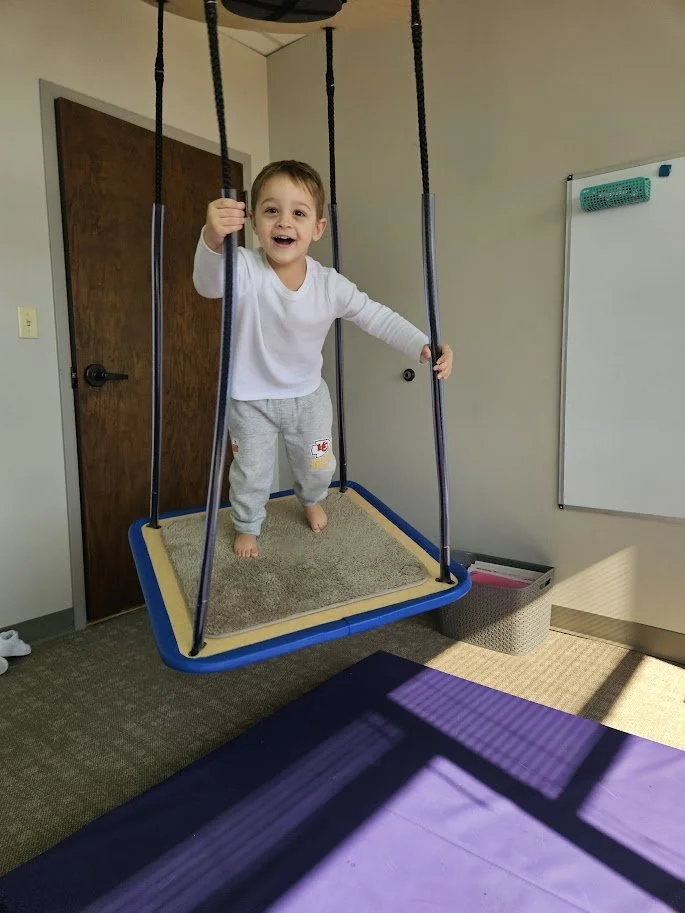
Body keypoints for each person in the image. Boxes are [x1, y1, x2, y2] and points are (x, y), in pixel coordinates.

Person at [193, 160, 452, 558]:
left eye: (298, 212)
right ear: (253, 221)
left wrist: (423, 344)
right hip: (249, 402)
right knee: (251, 474)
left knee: (318, 464)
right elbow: (207, 284)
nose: (284, 222)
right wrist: (212, 237)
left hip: (308, 400)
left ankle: (311, 499)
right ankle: (248, 523)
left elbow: (376, 315)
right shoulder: (244, 267)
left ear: (317, 228)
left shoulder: (329, 285)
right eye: (271, 210)